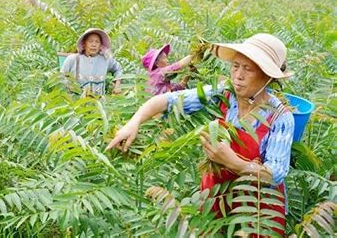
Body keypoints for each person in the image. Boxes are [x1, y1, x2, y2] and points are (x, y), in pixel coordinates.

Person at [106, 33, 294, 236]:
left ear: (268, 76)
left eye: (248, 69)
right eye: (235, 66)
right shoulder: (224, 93)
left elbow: (275, 174)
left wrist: (234, 163)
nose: (238, 75)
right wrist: (133, 122)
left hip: (256, 212)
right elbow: (170, 100)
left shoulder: (280, 117)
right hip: (215, 199)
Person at [61, 28, 123, 96]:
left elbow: (118, 69)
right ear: (84, 44)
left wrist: (117, 85)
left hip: (99, 104)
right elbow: (61, 78)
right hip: (76, 103)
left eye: (97, 42)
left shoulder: (106, 60)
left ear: (100, 45)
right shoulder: (72, 59)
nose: (94, 44)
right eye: (90, 41)